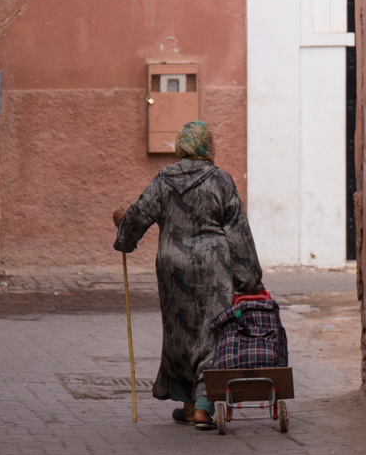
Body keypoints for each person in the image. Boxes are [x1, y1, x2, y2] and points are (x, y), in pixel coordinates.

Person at [113, 120, 264, 428]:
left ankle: (186, 404)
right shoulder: (221, 180)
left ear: (181, 146)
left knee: (178, 331)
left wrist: (124, 232)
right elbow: (238, 233)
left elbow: (137, 215)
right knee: (212, 331)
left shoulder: (163, 180)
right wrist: (250, 278)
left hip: (172, 265)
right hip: (213, 265)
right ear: (208, 147)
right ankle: (202, 408)